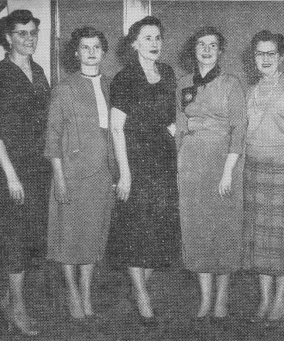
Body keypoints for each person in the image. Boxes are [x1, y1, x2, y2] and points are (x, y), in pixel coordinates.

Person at [0, 9, 51, 336]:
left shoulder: (37, 71)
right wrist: (10, 173)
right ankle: (18, 309)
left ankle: (11, 299)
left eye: (32, 32)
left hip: (38, 167)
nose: (29, 38)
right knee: (14, 241)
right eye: (21, 33)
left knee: (30, 237)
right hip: (11, 169)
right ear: (8, 37)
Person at [107, 16, 179, 326]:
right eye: (147, 38)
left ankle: (138, 287)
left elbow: (171, 120)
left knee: (158, 230)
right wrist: (125, 173)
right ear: (134, 43)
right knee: (135, 231)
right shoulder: (124, 78)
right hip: (135, 161)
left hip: (163, 161)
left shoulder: (168, 73)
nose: (154, 43)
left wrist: (184, 148)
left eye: (158, 37)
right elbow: (116, 128)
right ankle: (141, 293)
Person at [176, 26, 247, 322]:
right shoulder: (182, 84)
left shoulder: (232, 83)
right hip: (192, 165)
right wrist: (180, 162)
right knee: (197, 232)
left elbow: (239, 129)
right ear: (194, 49)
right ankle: (205, 299)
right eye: (201, 44)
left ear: (220, 51)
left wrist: (228, 172)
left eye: (213, 45)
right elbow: (179, 127)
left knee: (224, 229)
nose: (206, 49)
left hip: (223, 165)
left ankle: (221, 299)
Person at [45, 27, 114, 322]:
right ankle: (73, 293)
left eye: (96, 46)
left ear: (102, 51)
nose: (90, 52)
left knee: (92, 236)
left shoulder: (112, 85)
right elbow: (53, 134)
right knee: (68, 236)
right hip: (72, 173)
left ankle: (86, 293)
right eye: (84, 47)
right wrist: (58, 176)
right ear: (75, 52)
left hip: (102, 173)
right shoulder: (64, 87)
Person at [242, 30, 284, 327]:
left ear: (281, 57)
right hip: (254, 171)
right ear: (253, 57)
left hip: (282, 172)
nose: (265, 59)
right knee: (259, 241)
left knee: (280, 241)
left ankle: (279, 299)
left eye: (270, 54)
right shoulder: (250, 91)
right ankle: (264, 298)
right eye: (260, 54)